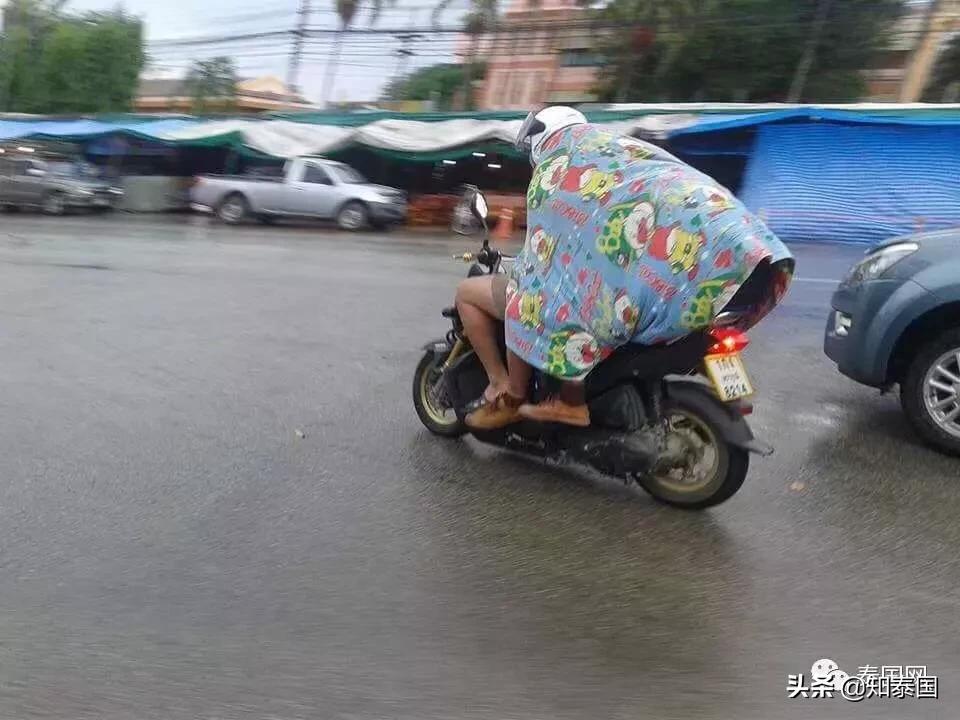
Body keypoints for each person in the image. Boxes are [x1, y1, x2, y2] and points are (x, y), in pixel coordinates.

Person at [460, 106, 794, 430]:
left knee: (521, 297)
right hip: (751, 262)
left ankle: (512, 394)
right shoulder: (626, 152)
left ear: (538, 141)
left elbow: (542, 259)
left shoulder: (557, 172)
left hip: (695, 279)